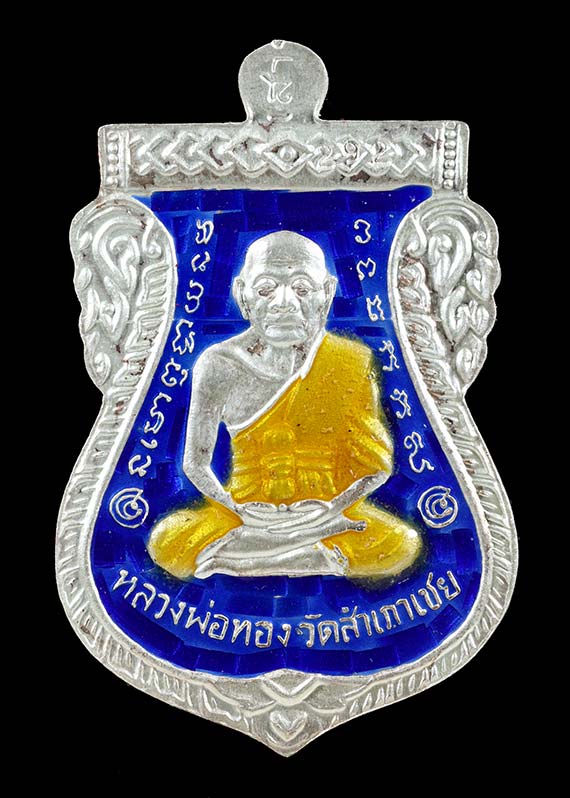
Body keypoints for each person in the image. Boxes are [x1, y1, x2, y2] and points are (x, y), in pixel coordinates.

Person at [148, 231, 421, 580]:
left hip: (325, 511)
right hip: (247, 511)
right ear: (242, 294)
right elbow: (195, 464)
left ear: (327, 293)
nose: (284, 302)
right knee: (168, 540)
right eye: (266, 289)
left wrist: (330, 509)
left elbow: (375, 468)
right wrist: (238, 509)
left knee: (401, 542)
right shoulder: (218, 364)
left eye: (302, 288)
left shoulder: (349, 362)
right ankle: (306, 553)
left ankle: (258, 555)